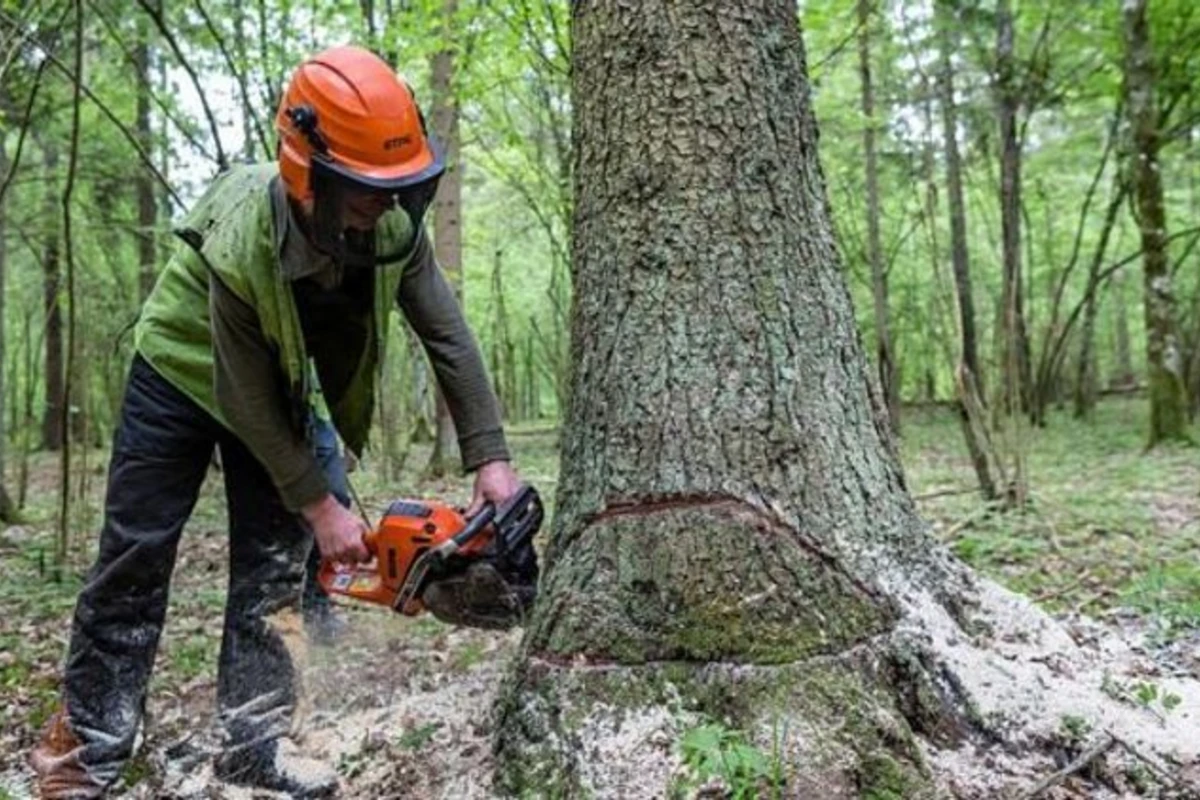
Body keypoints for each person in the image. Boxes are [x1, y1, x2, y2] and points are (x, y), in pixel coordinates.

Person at [29, 44, 530, 799]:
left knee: (271, 569)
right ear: (310, 177)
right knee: (136, 554)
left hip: (277, 382)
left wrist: (489, 459)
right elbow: (243, 392)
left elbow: (447, 335)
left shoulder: (392, 230)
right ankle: (85, 750)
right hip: (181, 372)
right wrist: (321, 504)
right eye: (365, 189)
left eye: (398, 187)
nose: (384, 205)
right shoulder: (243, 236)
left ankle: (253, 743)